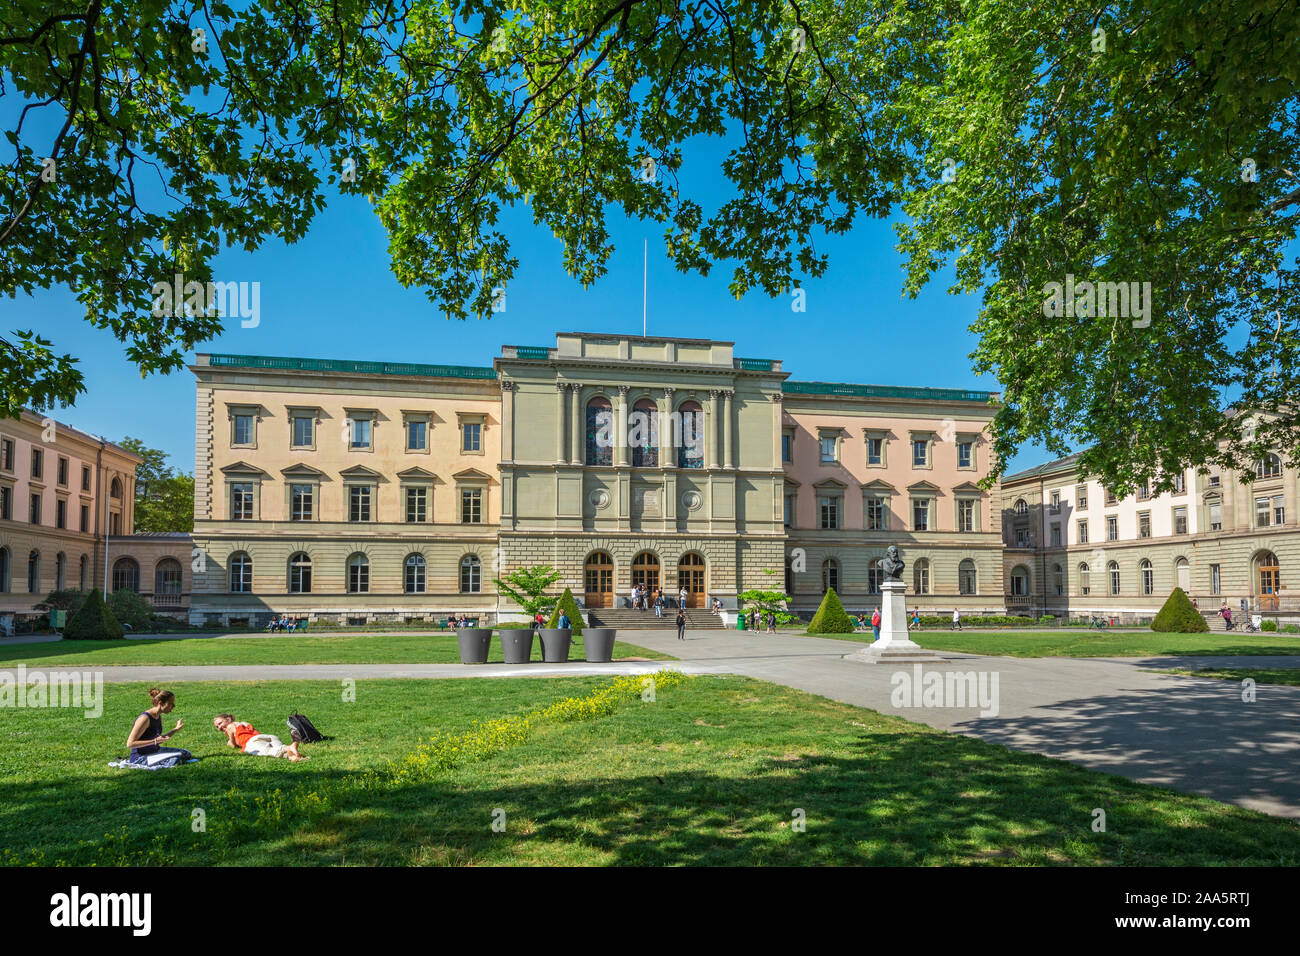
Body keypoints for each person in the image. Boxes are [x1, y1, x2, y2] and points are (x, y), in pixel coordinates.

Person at [125, 688, 191, 768]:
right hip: (140, 757)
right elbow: (130, 744)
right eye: (171, 704)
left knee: (186, 753)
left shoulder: (158, 716)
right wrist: (155, 741)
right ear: (161, 703)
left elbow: (159, 739)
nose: (173, 707)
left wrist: (175, 730)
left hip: (155, 751)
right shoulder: (145, 718)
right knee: (174, 760)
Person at [213, 714, 307, 761]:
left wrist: (230, 738)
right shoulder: (243, 724)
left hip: (252, 742)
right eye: (217, 727)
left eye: (220, 723)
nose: (219, 727)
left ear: (228, 720)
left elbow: (232, 745)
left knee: (267, 752)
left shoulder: (230, 726)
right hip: (267, 737)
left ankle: (289, 747)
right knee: (281, 752)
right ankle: (295, 756)